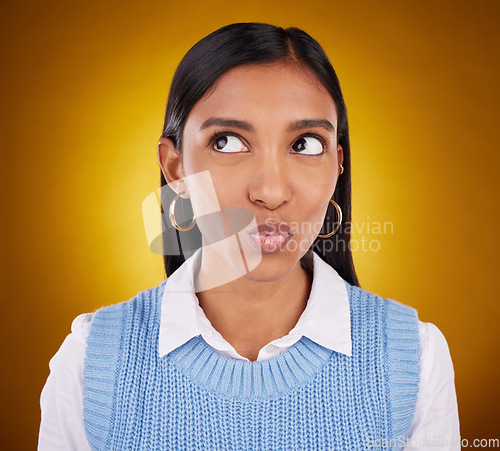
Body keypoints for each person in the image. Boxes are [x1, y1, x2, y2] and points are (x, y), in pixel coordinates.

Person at [38, 22, 460, 450]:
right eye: (227, 141)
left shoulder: (415, 358)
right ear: (175, 167)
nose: (271, 192)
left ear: (337, 164)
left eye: (306, 144)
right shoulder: (91, 361)